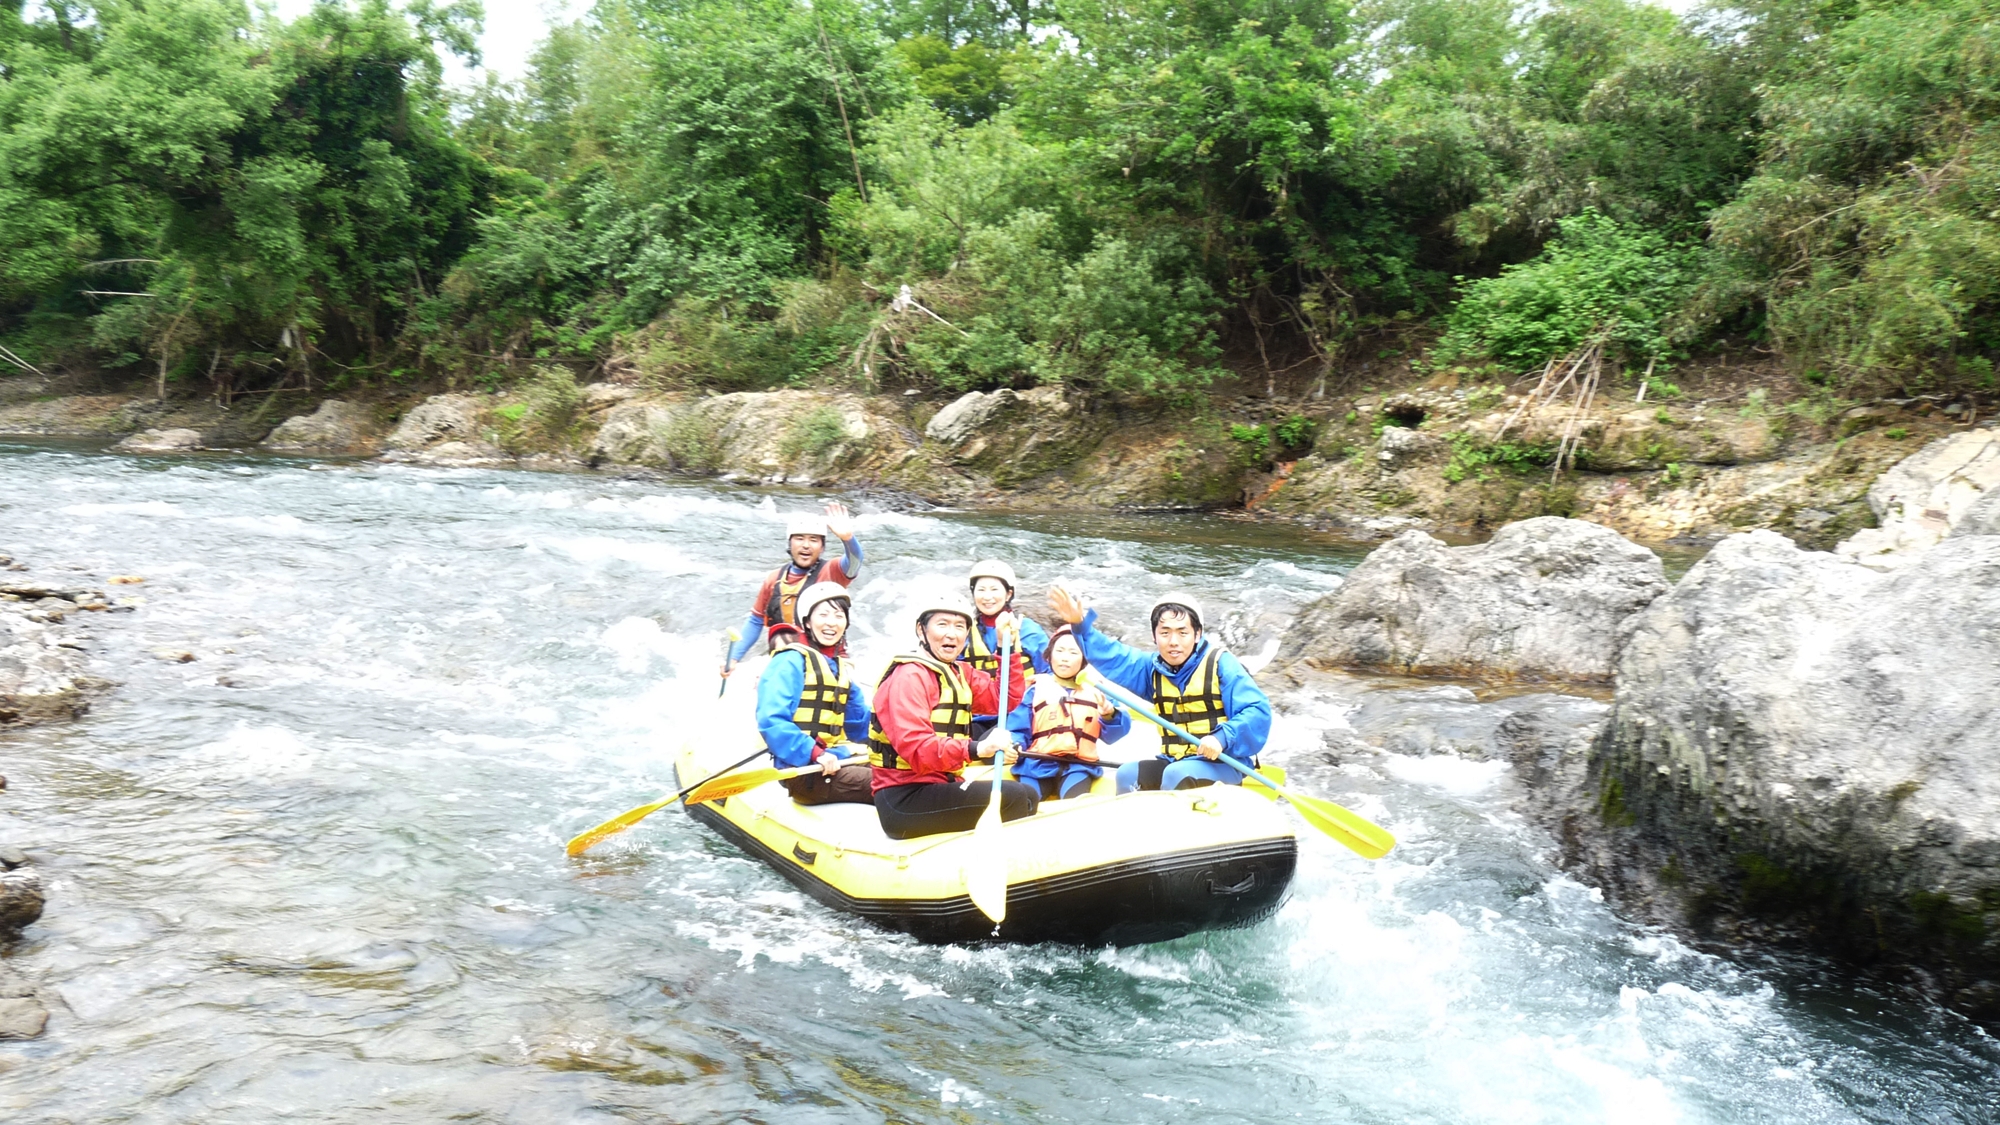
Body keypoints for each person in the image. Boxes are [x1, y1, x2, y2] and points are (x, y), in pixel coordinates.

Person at [1047, 586, 1271, 793]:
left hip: (1223, 763)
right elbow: (1112, 655)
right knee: (1127, 774)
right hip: (1175, 760)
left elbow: (1257, 711)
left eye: (1183, 633)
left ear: (1197, 634)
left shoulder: (1222, 664)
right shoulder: (1151, 669)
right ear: (1154, 636)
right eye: (1165, 633)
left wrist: (1222, 737)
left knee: (1176, 774)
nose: (1174, 641)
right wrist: (1081, 626)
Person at [867, 590, 1037, 840]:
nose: (951, 634)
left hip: (941, 785)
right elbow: (918, 748)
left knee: (1028, 794)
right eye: (942, 624)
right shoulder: (908, 677)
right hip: (904, 799)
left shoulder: (958, 672)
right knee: (1015, 797)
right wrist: (978, 748)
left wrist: (1006, 646)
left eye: (960, 626)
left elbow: (1004, 699)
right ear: (921, 630)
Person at [753, 583, 875, 805]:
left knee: (907, 775)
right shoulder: (789, 661)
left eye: (839, 616)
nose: (831, 622)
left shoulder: (840, 670)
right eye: (824, 614)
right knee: (889, 784)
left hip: (838, 759)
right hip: (805, 770)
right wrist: (815, 753)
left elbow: (862, 725)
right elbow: (771, 720)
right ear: (807, 621)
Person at [723, 501, 863, 676]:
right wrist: (734, 658)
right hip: (786, 662)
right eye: (799, 538)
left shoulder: (832, 571)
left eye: (813, 540)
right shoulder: (773, 579)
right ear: (790, 543)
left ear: (822, 547)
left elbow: (855, 561)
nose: (806, 545)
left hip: (829, 661)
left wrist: (848, 539)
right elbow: (756, 620)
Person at [1005, 624, 1129, 800]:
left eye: (1073, 652)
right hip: (1036, 764)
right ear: (1049, 655)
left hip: (1078, 766)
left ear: (1084, 660)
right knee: (1025, 800)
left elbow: (1115, 735)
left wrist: (1110, 715)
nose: (1065, 658)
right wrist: (1015, 745)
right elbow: (1017, 730)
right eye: (1060, 651)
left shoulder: (1097, 691)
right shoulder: (1034, 690)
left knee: (1074, 800)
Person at [964, 559, 1050, 740]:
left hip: (1020, 713)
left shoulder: (1028, 631)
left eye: (994, 589)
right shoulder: (963, 631)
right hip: (978, 714)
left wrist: (1044, 680)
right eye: (981, 590)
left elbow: (1053, 671)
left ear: (1009, 593)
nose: (987, 597)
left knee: (991, 744)